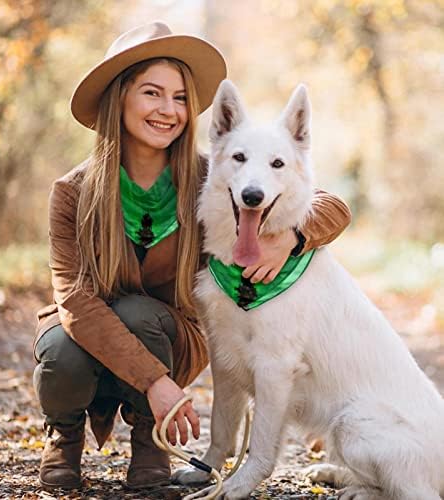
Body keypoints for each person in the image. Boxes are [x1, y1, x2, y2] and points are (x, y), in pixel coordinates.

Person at [32, 21, 352, 491]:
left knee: (140, 313)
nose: (169, 110)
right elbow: (76, 303)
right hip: (90, 342)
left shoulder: (215, 174)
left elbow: (330, 205)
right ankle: (64, 435)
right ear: (118, 98)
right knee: (60, 344)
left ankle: (150, 442)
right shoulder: (72, 193)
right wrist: (155, 381)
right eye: (152, 93)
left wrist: (293, 237)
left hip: (169, 334)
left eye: (180, 98)